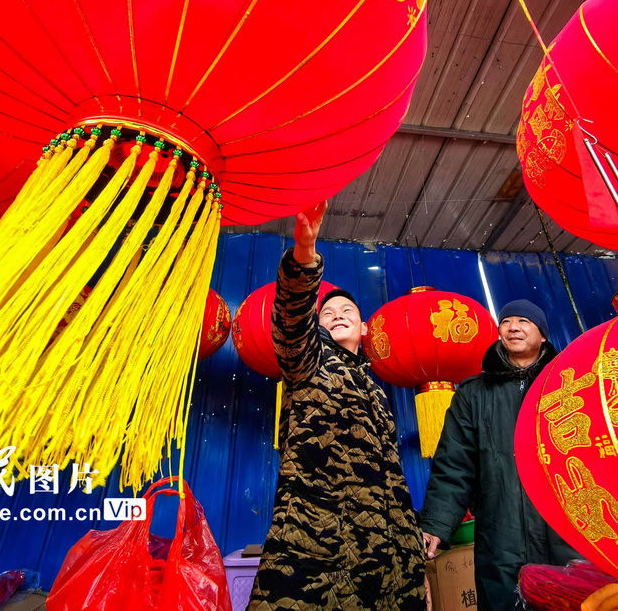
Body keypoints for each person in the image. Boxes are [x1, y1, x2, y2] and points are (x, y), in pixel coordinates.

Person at [248, 201, 425, 610]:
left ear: (365, 329)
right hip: (318, 544)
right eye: (328, 313)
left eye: (348, 311)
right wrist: (304, 259)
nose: (338, 315)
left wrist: (409, 546)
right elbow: (291, 319)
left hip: (387, 553)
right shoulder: (308, 361)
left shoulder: (375, 389)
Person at [420, 299, 579, 610]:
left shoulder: (568, 383)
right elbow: (454, 464)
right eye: (507, 322)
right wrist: (436, 524)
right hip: (501, 534)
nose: (514, 327)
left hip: (567, 530)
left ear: (543, 334)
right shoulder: (473, 393)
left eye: (524, 321)